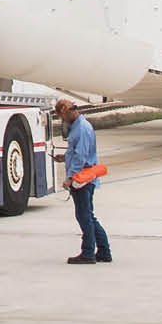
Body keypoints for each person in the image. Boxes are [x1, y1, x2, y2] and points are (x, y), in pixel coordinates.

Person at [52, 98, 111, 265]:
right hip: (83, 177)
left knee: (84, 216)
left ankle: (88, 253)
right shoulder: (78, 127)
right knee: (89, 216)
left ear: (70, 111)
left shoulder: (82, 129)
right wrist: (64, 157)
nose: (62, 120)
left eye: (63, 116)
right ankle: (104, 251)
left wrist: (70, 178)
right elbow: (77, 153)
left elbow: (81, 156)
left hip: (82, 179)